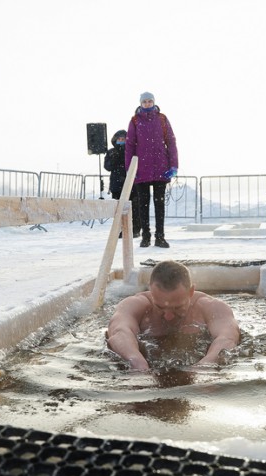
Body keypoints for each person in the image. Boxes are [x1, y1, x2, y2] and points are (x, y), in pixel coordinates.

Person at [106, 260, 240, 370]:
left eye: (177, 307)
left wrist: (205, 367)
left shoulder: (211, 307)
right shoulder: (135, 305)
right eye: (160, 307)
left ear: (191, 291)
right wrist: (136, 361)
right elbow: (119, 332)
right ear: (151, 290)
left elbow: (227, 338)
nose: (168, 316)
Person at [125, 92, 179, 249]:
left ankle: (160, 237)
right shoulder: (135, 121)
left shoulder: (162, 119)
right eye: (144, 101)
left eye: (150, 101)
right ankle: (146, 236)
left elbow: (171, 141)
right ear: (140, 103)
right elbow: (129, 146)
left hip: (161, 167)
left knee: (159, 204)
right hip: (142, 169)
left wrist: (173, 165)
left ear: (154, 102)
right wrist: (131, 169)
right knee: (143, 204)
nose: (147, 104)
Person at [104, 129, 141, 237]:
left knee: (134, 208)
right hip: (116, 186)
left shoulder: (132, 151)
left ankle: (135, 230)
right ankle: (120, 230)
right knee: (119, 210)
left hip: (131, 184)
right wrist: (114, 158)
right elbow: (107, 166)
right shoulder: (111, 152)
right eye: (119, 139)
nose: (121, 141)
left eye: (123, 139)